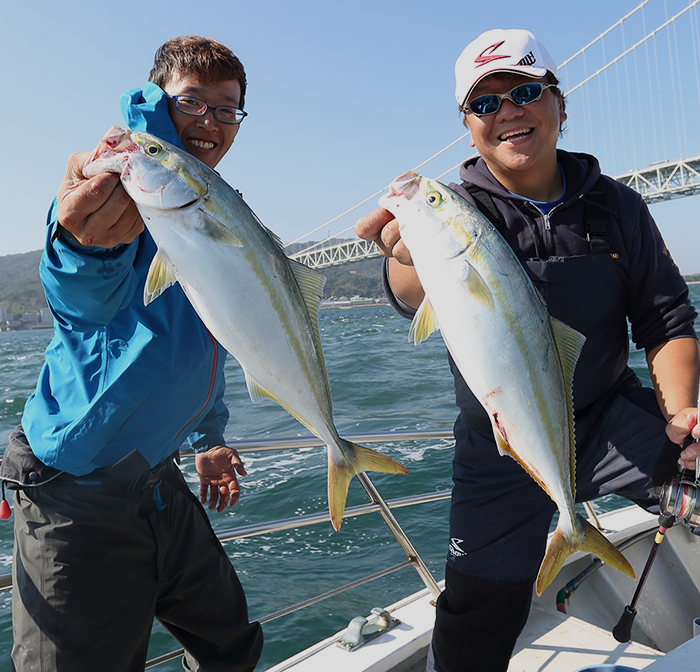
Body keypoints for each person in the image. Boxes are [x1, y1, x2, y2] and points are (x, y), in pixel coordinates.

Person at [355, 28, 699, 672]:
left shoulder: (617, 205)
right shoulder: (453, 212)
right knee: (473, 621)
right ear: (468, 125)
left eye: (526, 91)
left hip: (609, 415)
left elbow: (666, 317)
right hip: (499, 445)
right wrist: (406, 250)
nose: (508, 110)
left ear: (560, 105)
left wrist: (679, 416)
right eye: (485, 104)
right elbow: (408, 292)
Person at [1, 36, 263, 672]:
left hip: (156, 475)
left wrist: (209, 437)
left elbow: (205, 342)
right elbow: (80, 296)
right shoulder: (123, 187)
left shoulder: (207, 212)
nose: (210, 121)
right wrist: (84, 247)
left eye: (227, 109)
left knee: (232, 646)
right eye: (192, 103)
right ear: (158, 104)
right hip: (73, 487)